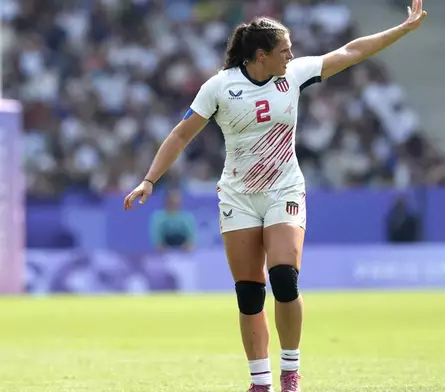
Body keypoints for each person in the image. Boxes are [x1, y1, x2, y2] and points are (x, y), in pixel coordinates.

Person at [123, 1, 427, 390]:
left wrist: (402, 29)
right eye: (285, 49)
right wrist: (150, 180)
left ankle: (290, 371)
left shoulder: (295, 75)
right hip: (238, 197)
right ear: (261, 55)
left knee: (284, 278)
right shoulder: (219, 87)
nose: (292, 55)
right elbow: (181, 134)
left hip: (284, 189)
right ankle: (260, 381)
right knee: (249, 294)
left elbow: (350, 52)